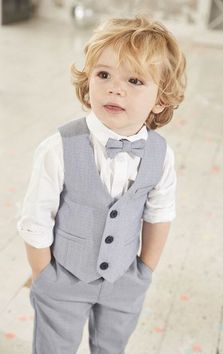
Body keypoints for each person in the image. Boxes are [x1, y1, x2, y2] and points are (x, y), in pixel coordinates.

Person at [17, 15, 186, 354]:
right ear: (88, 80)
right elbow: (36, 220)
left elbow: (160, 213)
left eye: (135, 80)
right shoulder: (59, 148)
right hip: (63, 277)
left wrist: (144, 272)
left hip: (124, 279)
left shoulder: (160, 155)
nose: (115, 88)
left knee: (112, 348)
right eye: (103, 74)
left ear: (161, 99)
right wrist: (44, 277)